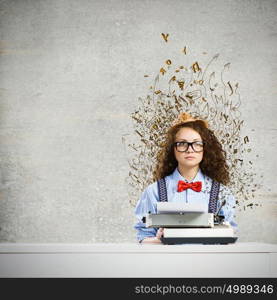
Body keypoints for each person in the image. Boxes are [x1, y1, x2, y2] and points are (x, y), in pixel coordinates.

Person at [134, 112, 238, 244]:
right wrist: (158, 240)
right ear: (173, 149)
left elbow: (229, 238)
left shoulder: (222, 193)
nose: (190, 150)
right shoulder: (153, 191)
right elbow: (142, 238)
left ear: (205, 148)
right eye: (182, 144)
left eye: (197, 143)